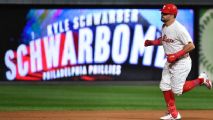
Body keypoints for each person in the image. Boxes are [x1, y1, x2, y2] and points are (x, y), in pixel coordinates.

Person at [144, 3, 212, 120]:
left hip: (182, 62)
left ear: (172, 15)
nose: (162, 14)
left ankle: (201, 80)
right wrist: (152, 43)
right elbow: (164, 40)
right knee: (164, 86)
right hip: (170, 62)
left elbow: (191, 45)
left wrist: (176, 55)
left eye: (165, 13)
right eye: (162, 12)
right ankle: (173, 114)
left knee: (177, 90)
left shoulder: (179, 29)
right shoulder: (164, 26)